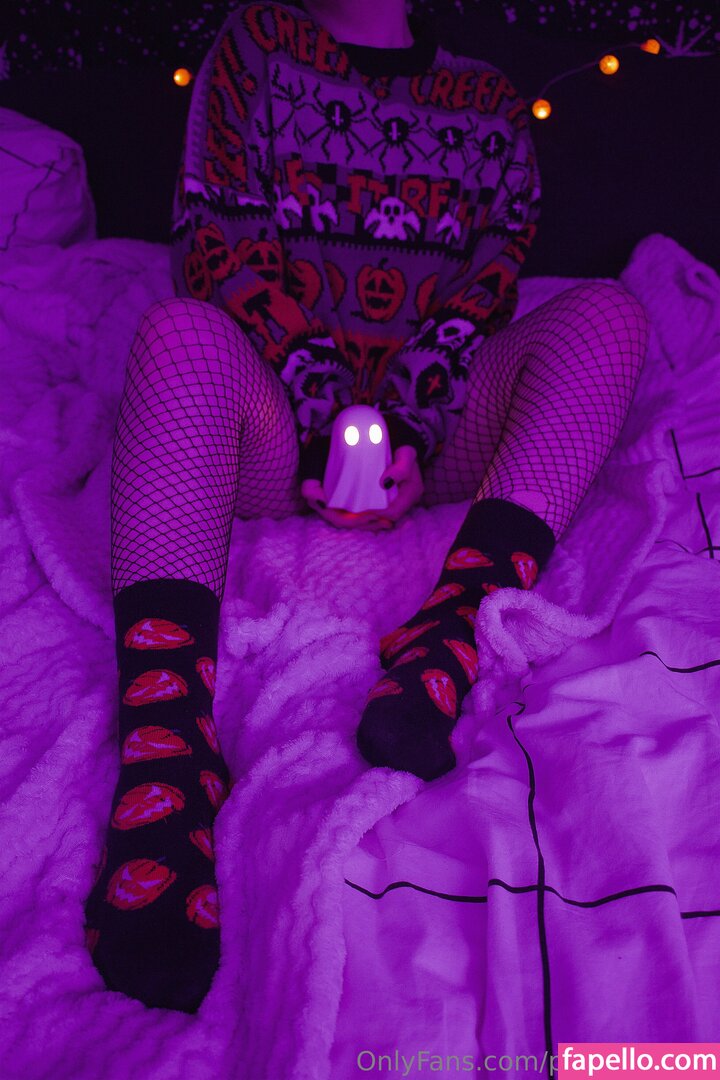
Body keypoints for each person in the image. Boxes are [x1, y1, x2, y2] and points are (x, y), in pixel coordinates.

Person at [83, 0, 650, 1014]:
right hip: (274, 428)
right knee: (176, 334)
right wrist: (322, 427)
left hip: (440, 437)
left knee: (610, 316)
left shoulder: (488, 103)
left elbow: (483, 297)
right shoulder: (255, 47)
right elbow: (215, 252)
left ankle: (453, 626)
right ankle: (168, 741)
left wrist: (411, 436)